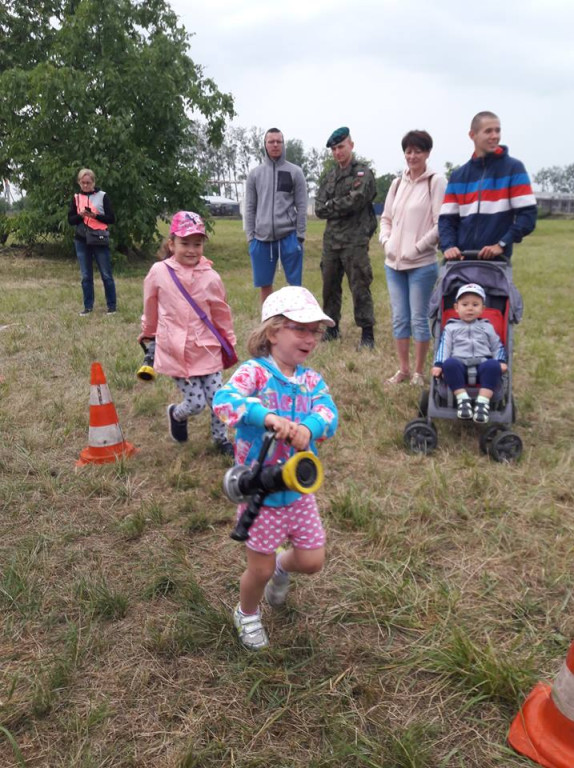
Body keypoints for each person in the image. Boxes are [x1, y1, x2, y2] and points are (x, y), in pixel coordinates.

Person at [213, 286, 338, 650]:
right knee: (260, 569)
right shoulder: (255, 373)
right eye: (301, 329)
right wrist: (266, 416)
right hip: (262, 493)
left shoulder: (311, 380)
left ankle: (285, 569)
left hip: (298, 490)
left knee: (312, 560)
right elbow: (225, 400)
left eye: (315, 331)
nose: (310, 338)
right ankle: (247, 613)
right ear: (273, 332)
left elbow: (329, 414)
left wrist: (309, 428)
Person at [140, 211, 236, 455]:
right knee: (195, 403)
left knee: (218, 401)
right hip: (176, 350)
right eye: (185, 243)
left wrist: (229, 339)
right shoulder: (159, 272)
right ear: (172, 244)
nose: (191, 250)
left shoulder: (211, 276)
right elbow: (150, 306)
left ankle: (220, 439)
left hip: (208, 348)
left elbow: (220, 311)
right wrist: (148, 333)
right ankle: (177, 413)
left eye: (197, 243)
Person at [379, 130, 447, 386]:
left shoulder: (436, 182)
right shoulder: (397, 183)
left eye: (418, 150)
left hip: (421, 265)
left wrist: (417, 247)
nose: (412, 155)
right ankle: (403, 369)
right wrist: (386, 242)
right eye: (408, 151)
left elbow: (442, 224)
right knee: (399, 317)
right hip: (393, 264)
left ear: (427, 153)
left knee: (419, 318)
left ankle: (419, 371)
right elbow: (385, 219)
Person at [439, 111, 537, 261]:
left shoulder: (513, 169)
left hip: (497, 264)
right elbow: (447, 219)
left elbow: (528, 215)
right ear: (472, 135)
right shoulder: (458, 176)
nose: (494, 136)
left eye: (497, 130)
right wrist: (449, 246)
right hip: (461, 262)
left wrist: (502, 244)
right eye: (488, 131)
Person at [315, 127, 378, 349]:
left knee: (360, 286)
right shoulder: (330, 177)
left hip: (355, 241)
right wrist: (341, 205)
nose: (338, 152)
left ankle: (367, 334)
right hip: (332, 242)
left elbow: (358, 200)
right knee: (329, 287)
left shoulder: (363, 173)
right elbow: (319, 209)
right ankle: (332, 329)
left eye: (341, 147)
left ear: (351, 145)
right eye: (334, 149)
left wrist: (333, 205)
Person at [244, 128, 308, 304]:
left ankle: (294, 322)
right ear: (265, 145)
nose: (275, 145)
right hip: (261, 238)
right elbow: (249, 207)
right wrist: (251, 237)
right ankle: (268, 324)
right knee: (265, 284)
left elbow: (302, 205)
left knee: (295, 286)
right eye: (271, 141)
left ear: (283, 144)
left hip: (289, 236)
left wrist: (300, 236)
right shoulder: (255, 175)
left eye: (278, 141)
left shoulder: (295, 172)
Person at [431, 283, 507, 424]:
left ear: (483, 309)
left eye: (475, 305)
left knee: (493, 366)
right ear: (456, 308)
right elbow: (444, 347)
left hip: (483, 365)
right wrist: (439, 364)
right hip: (459, 365)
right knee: (450, 364)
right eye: (465, 304)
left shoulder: (487, 326)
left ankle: (482, 403)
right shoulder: (451, 327)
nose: (470, 308)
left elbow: (497, 346)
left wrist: (501, 361)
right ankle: (462, 399)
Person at [68, 168, 117, 316]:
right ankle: (88, 307)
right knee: (86, 276)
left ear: (93, 182)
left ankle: (112, 306)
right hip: (81, 240)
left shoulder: (103, 196)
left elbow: (111, 218)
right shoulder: (76, 198)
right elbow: (70, 220)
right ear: (79, 182)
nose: (85, 185)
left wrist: (95, 215)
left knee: (106, 274)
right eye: (82, 183)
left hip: (99, 238)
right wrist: (81, 215)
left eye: (88, 183)